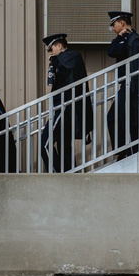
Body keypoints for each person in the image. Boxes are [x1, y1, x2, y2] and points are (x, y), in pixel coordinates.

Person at [106, 11, 139, 160]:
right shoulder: (122, 39)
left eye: (114, 25)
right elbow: (112, 52)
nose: (113, 28)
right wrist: (121, 37)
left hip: (134, 85)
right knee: (117, 118)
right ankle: (124, 151)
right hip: (127, 85)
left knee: (130, 120)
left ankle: (132, 153)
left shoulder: (136, 40)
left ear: (122, 23)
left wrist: (125, 37)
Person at [41, 33, 93, 172]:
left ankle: (56, 173)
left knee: (45, 143)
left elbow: (71, 70)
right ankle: (70, 174)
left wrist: (56, 59)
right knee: (64, 145)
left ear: (59, 45)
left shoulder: (72, 56)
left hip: (65, 107)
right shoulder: (60, 61)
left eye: (51, 49)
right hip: (63, 107)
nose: (50, 53)